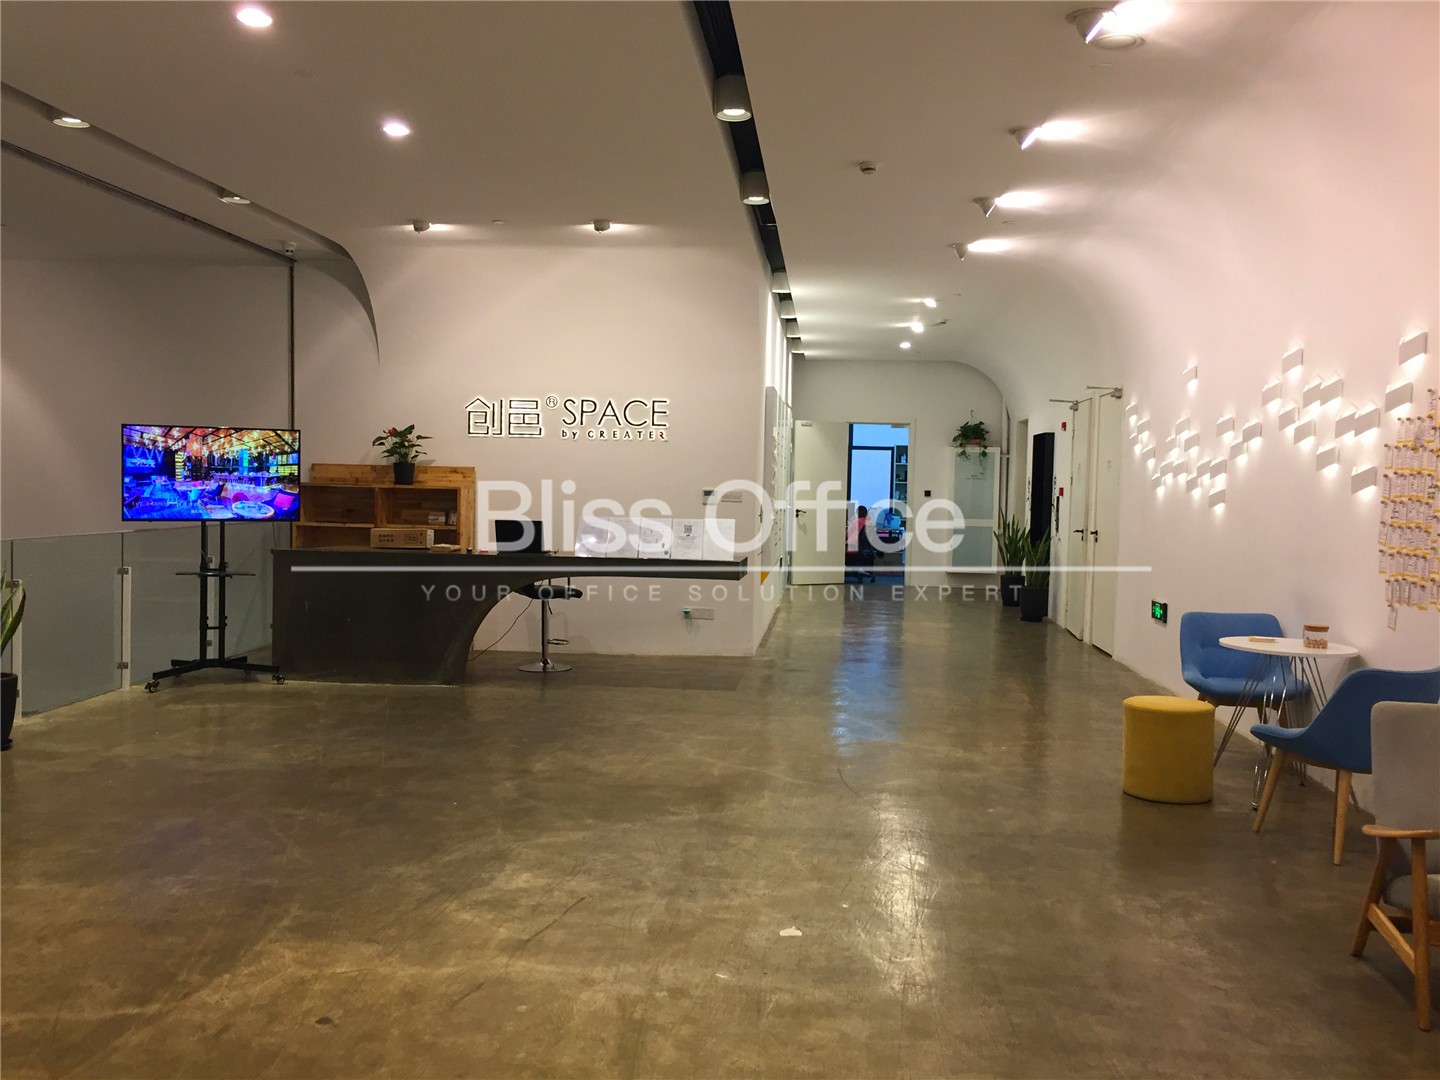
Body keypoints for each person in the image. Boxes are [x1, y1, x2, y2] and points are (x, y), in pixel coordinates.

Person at [845, 505, 876, 583]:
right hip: (866, 549)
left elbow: (847, 534)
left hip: (853, 548)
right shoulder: (871, 523)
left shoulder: (856, 522)